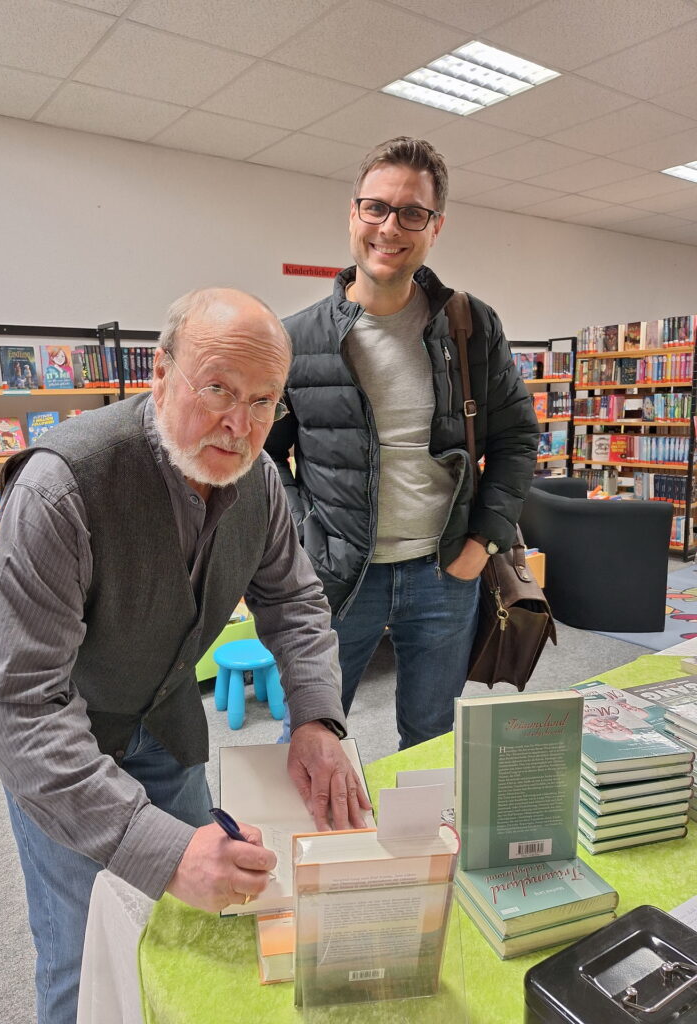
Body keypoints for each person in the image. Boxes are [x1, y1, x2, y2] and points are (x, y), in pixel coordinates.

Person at [0, 287, 370, 1024]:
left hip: (169, 730)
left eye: (263, 402)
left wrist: (317, 717)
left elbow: (295, 602)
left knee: (192, 929)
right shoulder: (61, 488)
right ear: (160, 372)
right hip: (65, 752)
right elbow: (14, 705)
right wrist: (157, 848)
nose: (239, 425)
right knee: (83, 958)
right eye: (217, 389)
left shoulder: (258, 482)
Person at [265, 136, 538, 750]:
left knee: (431, 738)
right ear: (353, 214)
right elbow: (262, 455)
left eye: (412, 212)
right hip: (339, 577)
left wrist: (482, 543)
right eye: (376, 208)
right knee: (310, 735)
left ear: (435, 227)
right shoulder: (296, 339)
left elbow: (517, 437)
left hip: (445, 573)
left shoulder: (471, 326)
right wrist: (306, 533)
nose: (390, 227)